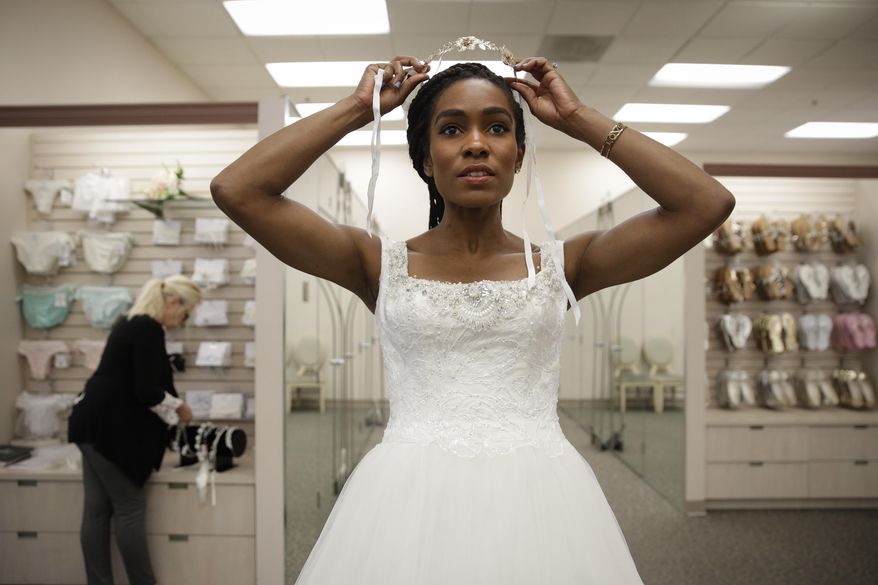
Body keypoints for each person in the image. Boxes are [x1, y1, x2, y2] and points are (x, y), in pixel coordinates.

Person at [211, 55, 734, 584]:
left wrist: (577, 118)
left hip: (542, 500)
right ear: (425, 159)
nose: (477, 143)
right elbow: (239, 190)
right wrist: (355, 108)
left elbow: (704, 203)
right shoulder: (376, 264)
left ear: (518, 154)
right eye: (452, 129)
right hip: (403, 501)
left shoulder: (562, 267)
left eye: (498, 127)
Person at [68, 275, 202, 585]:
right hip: (107, 429)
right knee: (130, 507)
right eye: (186, 313)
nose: (185, 320)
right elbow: (145, 391)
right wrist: (179, 408)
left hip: (88, 423)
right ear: (172, 302)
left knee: (97, 509)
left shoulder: (128, 323)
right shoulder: (148, 328)